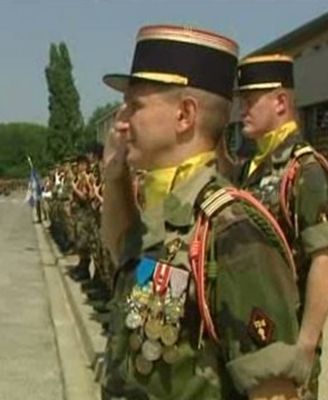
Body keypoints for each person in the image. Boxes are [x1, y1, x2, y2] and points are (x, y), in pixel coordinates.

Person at [100, 24, 307, 400]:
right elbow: (121, 253)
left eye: (136, 105)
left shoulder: (231, 229)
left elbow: (274, 390)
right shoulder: (169, 208)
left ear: (185, 115)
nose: (121, 121)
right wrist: (114, 178)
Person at [234, 54, 328, 399]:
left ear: (280, 102)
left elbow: (324, 258)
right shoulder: (251, 169)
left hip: (287, 341)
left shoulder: (304, 170)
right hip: (253, 338)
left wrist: (306, 345)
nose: (242, 109)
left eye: (250, 100)